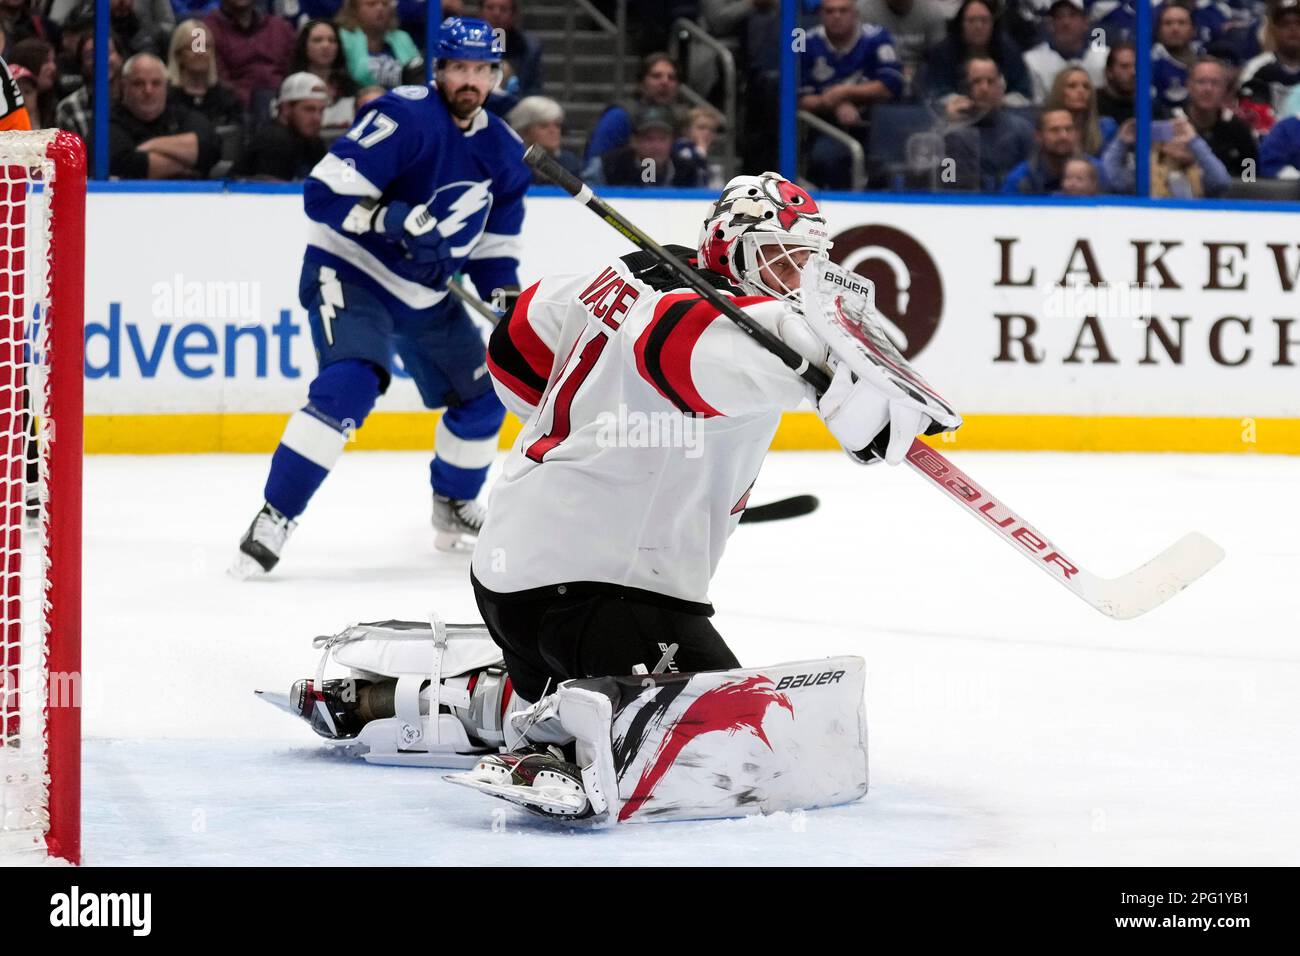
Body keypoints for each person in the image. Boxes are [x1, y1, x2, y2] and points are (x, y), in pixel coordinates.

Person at [456, 171, 943, 802]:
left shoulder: (623, 274)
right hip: (600, 597)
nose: (791, 281)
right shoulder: (718, 322)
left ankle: (506, 696)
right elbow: (693, 352)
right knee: (746, 755)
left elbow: (515, 339)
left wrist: (586, 440)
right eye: (775, 258)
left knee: (687, 715)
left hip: (507, 577)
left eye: (806, 263)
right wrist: (822, 358)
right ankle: (557, 739)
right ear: (725, 250)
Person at [233, 17, 530, 576]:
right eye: (459, 67)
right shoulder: (404, 115)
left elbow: (494, 252)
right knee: (349, 383)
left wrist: (505, 303)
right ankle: (275, 514)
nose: (470, 79)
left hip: (426, 292)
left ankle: (453, 504)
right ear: (439, 69)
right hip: (352, 270)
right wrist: (391, 217)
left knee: (488, 392)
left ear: (495, 76)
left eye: (482, 70)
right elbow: (321, 195)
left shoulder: (505, 152)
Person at [797, 0, 903, 189]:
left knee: (889, 166)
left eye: (843, 10)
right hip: (826, 127)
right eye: (830, 11)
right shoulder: (806, 43)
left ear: (855, 13)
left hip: (875, 124)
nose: (836, 16)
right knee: (826, 157)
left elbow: (890, 85)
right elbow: (798, 98)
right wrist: (832, 103)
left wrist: (844, 92)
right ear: (821, 14)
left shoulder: (877, 38)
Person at [108, 52, 220, 178]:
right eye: (138, 83)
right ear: (124, 86)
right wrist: (187, 164)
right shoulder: (109, 121)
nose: (148, 91)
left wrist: (150, 145)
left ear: (166, 86)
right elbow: (124, 165)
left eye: (156, 83)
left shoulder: (179, 114)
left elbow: (209, 147)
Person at [942, 56, 1035, 191]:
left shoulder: (1021, 129)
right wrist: (949, 127)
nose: (984, 88)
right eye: (977, 81)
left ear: (1001, 88)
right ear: (965, 89)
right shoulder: (952, 131)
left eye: (990, 81)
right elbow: (945, 180)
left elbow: (1033, 179)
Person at [584, 52, 687, 162]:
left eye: (671, 78)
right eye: (656, 76)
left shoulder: (680, 118)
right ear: (641, 83)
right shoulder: (619, 116)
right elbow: (594, 164)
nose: (665, 82)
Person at [925, 0, 1032, 105]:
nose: (978, 26)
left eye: (984, 20)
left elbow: (1024, 93)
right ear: (961, 24)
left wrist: (998, 103)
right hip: (956, 115)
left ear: (993, 24)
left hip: (1002, 114)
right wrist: (968, 105)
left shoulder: (1009, 51)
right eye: (971, 20)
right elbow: (935, 94)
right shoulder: (943, 52)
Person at [1101, 114, 1231, 196]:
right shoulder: (1142, 177)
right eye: (1173, 134)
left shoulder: (1200, 175)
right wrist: (1121, 142)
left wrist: (1194, 141)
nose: (1180, 140)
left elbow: (1221, 181)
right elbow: (1107, 178)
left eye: (1182, 134)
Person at [233, 71, 327, 179]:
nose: (317, 118)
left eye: (321, 110)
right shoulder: (275, 140)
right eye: (309, 109)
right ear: (286, 108)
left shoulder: (314, 142)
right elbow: (271, 193)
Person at [203, 0, 295, 109]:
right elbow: (215, 80)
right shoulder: (205, 30)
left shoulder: (281, 27)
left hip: (286, 108)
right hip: (236, 111)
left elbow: (295, 71)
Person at [1184, 57, 1257, 182]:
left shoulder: (1239, 130)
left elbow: (1250, 181)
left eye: (1215, 83)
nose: (1208, 89)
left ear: (1225, 89)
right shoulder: (1173, 125)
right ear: (1189, 86)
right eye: (1201, 82)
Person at [1023, 0, 1107, 103]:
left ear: (1085, 22)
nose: (1065, 23)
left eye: (1073, 16)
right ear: (1050, 25)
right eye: (1059, 17)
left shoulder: (1104, 57)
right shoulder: (1031, 60)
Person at [1001, 107, 1101, 192]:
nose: (1063, 136)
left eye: (1069, 129)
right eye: (1054, 130)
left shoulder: (1096, 170)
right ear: (1038, 137)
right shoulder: (1020, 180)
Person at [166, 18, 242, 129]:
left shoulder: (226, 97)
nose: (200, 53)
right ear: (178, 55)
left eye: (205, 47)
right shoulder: (165, 97)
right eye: (193, 47)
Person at [290, 17, 357, 139]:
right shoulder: (292, 86)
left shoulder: (350, 87)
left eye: (332, 40)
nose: (326, 45)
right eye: (317, 40)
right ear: (304, 46)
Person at [334, 0, 421, 90]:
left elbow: (417, 73)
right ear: (354, 10)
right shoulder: (344, 36)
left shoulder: (402, 37)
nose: (380, 8)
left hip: (400, 100)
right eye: (371, 4)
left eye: (385, 4)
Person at [1240, 0, 1300, 115]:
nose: (1293, 28)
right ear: (1274, 30)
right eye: (1285, 24)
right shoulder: (1256, 67)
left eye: (1298, 23)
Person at [505, 94, 580, 180]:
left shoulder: (569, 163)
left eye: (557, 125)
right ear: (524, 130)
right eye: (544, 125)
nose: (553, 131)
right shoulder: (508, 164)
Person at [1043, 64, 1114, 155]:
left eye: (1086, 87)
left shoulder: (1106, 127)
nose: (1081, 91)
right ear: (1058, 92)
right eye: (1072, 86)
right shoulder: (1044, 130)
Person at [479, 0, 542, 97]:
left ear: (514, 14)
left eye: (503, 9)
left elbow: (532, 90)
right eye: (490, 8)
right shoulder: (467, 41)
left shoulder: (529, 47)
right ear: (480, 12)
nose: (496, 14)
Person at [1096, 41, 1135, 126]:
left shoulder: (1149, 105)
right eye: (1125, 67)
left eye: (1136, 66)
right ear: (1109, 72)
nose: (1133, 72)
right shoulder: (1093, 104)